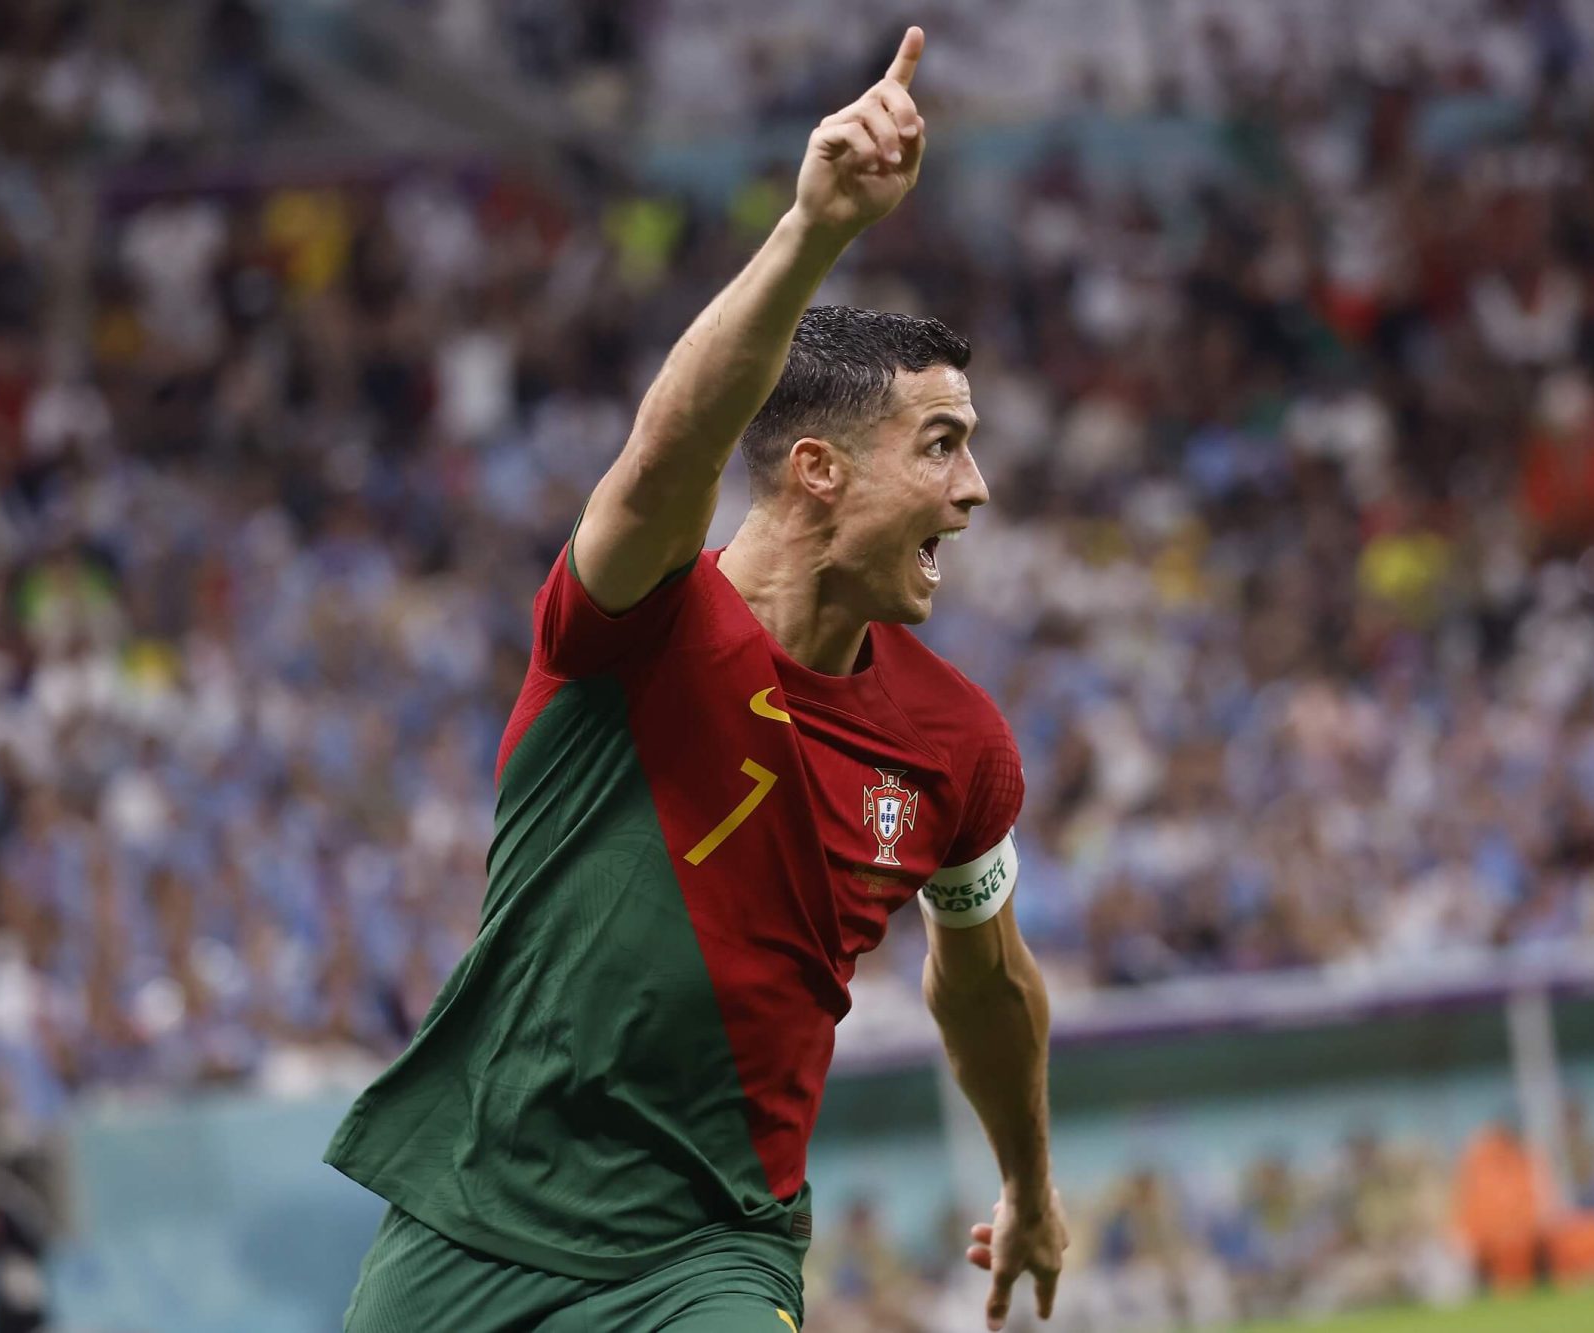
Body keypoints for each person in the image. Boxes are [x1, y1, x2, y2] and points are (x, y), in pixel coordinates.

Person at [325, 27, 1067, 1333]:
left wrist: (1029, 1177)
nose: (975, 488)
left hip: (705, 1254)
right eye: (940, 446)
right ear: (817, 473)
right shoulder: (638, 624)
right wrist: (813, 228)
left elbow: (988, 983)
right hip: (470, 1221)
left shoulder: (956, 746)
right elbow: (669, 446)